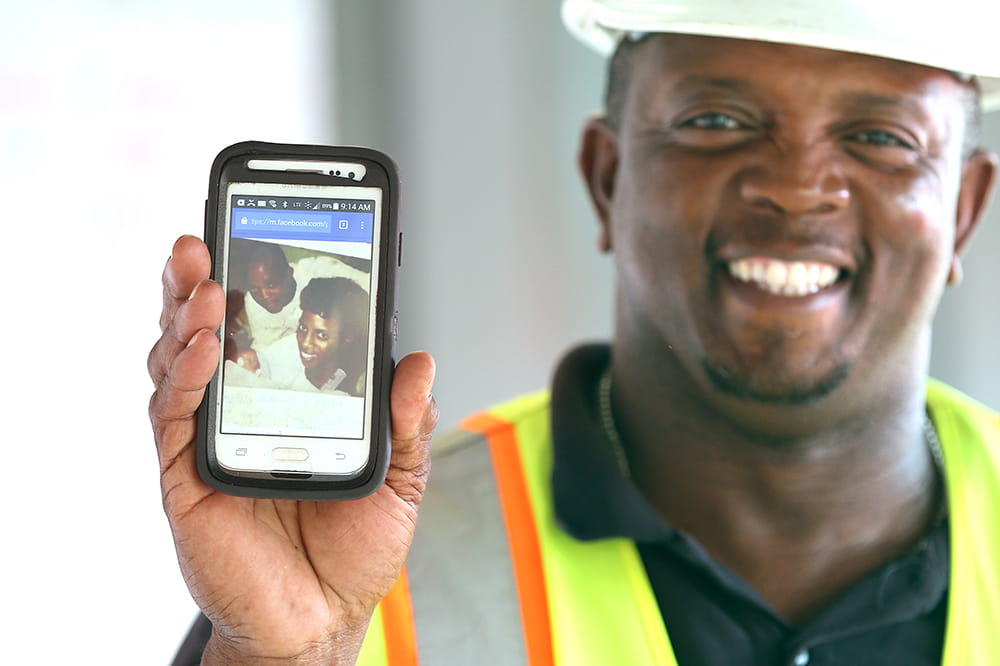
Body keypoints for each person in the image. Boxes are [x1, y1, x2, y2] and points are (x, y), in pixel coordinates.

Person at [148, 1, 1000, 664]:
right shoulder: (359, 558)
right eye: (715, 122)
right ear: (606, 178)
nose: (797, 188)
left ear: (963, 212)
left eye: (881, 138)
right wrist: (286, 659)